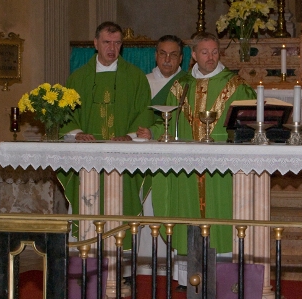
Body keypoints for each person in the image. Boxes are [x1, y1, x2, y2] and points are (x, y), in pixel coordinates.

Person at [137, 32, 256, 290]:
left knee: (221, 218)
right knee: (189, 215)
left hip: (222, 169)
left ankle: (222, 278)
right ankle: (189, 276)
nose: (211, 57)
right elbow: (168, 121)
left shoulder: (236, 85)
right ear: (194, 55)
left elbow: (248, 122)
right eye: (205, 52)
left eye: (215, 52)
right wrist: (154, 132)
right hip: (188, 168)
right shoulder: (182, 86)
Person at [57, 21, 154, 239]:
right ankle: (86, 256)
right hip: (87, 156)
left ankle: (123, 261)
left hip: (123, 155)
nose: (112, 48)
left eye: (117, 43)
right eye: (107, 42)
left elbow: (145, 111)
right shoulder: (78, 78)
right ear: (95, 43)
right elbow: (66, 115)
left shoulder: (136, 77)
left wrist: (129, 136)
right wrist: (77, 133)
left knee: (121, 207)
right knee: (88, 207)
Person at [137, 35, 187, 274]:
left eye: (173, 54)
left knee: (173, 206)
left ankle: (175, 268)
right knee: (147, 206)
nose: (167, 59)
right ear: (155, 55)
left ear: (181, 58)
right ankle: (145, 266)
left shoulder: (188, 84)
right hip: (146, 156)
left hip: (177, 157)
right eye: (163, 54)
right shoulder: (141, 82)